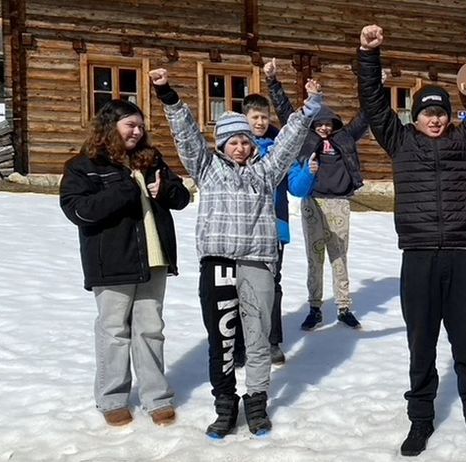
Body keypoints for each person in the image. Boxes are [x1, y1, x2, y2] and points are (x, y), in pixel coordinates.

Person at [357, 23, 466, 456]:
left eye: (440, 112)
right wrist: (369, 55)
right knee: (421, 345)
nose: (435, 118)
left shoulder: (464, 142)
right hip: (418, 259)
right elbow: (373, 102)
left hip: (461, 257)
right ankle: (420, 421)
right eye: (427, 112)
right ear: (415, 116)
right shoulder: (399, 141)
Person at [149, 67, 320, 438]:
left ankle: (256, 402)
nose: (241, 147)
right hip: (219, 263)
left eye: (245, 140)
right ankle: (225, 405)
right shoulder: (207, 168)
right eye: (233, 141)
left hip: (258, 261)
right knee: (223, 339)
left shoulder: (264, 171)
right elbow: (187, 136)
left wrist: (306, 111)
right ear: (222, 145)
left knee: (258, 336)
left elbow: (289, 142)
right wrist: (168, 96)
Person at [60, 99, 191, 428]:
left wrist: (166, 191)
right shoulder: (84, 165)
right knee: (114, 331)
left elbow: (182, 197)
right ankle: (112, 398)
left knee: (151, 330)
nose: (137, 131)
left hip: (154, 260)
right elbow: (77, 210)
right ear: (110, 127)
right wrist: (124, 190)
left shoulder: (150, 159)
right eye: (130, 125)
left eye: (140, 126)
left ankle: (156, 397)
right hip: (112, 262)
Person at [264, 58, 370, 331]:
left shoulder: (345, 137)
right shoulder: (306, 138)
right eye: (320, 123)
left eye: (328, 123)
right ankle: (314, 307)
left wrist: (375, 86)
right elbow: (286, 111)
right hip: (312, 202)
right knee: (315, 257)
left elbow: (368, 114)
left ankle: (344, 307)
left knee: (339, 256)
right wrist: (273, 81)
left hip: (338, 204)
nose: (324, 127)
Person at [227, 92, 290, 365]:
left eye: (265, 117)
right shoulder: (235, 147)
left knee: (272, 285)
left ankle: (272, 340)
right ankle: (239, 343)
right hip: (240, 226)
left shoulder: (279, 147)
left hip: (274, 225)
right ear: (246, 118)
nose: (261, 122)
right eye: (256, 117)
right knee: (237, 285)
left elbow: (296, 184)